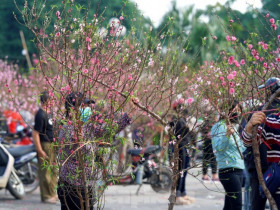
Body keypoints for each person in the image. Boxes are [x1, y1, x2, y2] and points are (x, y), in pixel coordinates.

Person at [57, 92, 132, 210]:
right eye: (84, 106)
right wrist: (78, 135)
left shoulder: (89, 126)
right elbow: (71, 144)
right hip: (70, 186)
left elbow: (109, 130)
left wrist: (128, 114)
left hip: (85, 185)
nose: (88, 109)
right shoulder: (66, 127)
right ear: (74, 109)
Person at [240, 77, 280, 210]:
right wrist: (250, 126)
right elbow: (248, 140)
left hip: (260, 170)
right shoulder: (270, 119)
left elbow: (247, 141)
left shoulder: (261, 111)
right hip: (270, 174)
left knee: (256, 204)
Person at [211, 100, 245, 210]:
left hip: (239, 169)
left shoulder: (236, 127)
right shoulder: (218, 127)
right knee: (237, 205)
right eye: (235, 111)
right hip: (228, 170)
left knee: (229, 206)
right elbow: (218, 149)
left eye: (239, 111)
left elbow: (242, 148)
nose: (237, 114)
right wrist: (227, 136)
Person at [32, 91, 57, 204]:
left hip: (52, 145)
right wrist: (40, 150)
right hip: (44, 145)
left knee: (53, 171)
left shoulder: (49, 113)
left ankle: (52, 193)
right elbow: (35, 133)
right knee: (45, 171)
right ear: (47, 101)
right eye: (51, 100)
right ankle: (46, 196)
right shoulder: (40, 115)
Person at [170, 107, 195, 205]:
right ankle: (177, 195)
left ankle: (183, 193)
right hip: (181, 148)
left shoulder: (183, 121)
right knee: (180, 171)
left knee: (184, 171)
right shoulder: (178, 121)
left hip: (186, 147)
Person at [201, 113, 218, 182]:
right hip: (210, 142)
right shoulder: (212, 124)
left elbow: (202, 132)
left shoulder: (206, 123)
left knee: (207, 158)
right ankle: (212, 175)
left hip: (208, 142)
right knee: (211, 158)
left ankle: (206, 175)